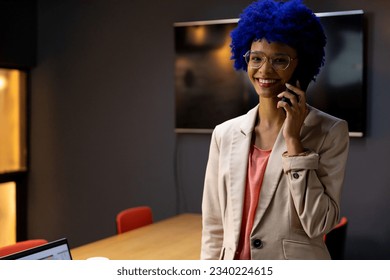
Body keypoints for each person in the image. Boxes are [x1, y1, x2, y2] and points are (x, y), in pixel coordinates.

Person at [201, 0, 349, 260]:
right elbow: (214, 227)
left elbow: (319, 223)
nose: (265, 70)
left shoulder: (330, 131)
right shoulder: (224, 134)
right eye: (256, 58)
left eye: (279, 60)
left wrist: (294, 142)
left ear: (300, 65)